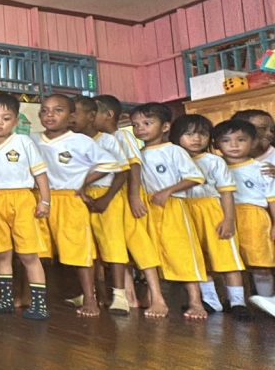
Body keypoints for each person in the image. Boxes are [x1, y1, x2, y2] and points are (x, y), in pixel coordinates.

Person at [33, 94, 121, 318]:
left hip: (71, 200)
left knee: (79, 250)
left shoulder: (81, 141)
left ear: (71, 116)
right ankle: (29, 296)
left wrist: (84, 182)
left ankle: (90, 297)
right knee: (33, 250)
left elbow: (111, 164)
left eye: (58, 110)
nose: (50, 114)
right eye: (45, 110)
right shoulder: (31, 140)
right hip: (42, 199)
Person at [0, 93, 52, 320]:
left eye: (6, 118)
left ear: (16, 121)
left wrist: (45, 201)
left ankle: (39, 304)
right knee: (1, 254)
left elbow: (40, 175)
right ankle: (6, 300)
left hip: (21, 200)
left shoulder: (24, 142)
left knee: (29, 255)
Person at [129, 103, 209, 320]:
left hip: (173, 206)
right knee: (150, 253)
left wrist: (168, 191)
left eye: (147, 123)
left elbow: (195, 177)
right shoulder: (137, 153)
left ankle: (195, 300)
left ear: (165, 127)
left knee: (182, 252)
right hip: (147, 207)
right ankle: (156, 297)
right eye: (136, 125)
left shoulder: (175, 150)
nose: (141, 129)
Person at [93, 95, 166, 314]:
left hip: (127, 196)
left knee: (139, 245)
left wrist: (134, 197)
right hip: (114, 198)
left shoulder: (122, 136)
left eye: (92, 113)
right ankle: (129, 295)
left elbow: (133, 167)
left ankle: (158, 297)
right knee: (117, 248)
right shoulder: (100, 139)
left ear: (108, 115)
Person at [171, 115, 249, 318]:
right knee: (199, 258)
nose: (196, 139)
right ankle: (211, 300)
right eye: (189, 134)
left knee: (227, 256)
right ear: (176, 136)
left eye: (202, 134)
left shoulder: (214, 161)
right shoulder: (174, 159)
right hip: (186, 211)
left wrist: (229, 219)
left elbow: (226, 192)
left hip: (213, 211)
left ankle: (238, 302)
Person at [71, 95, 132, 315]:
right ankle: (92, 294)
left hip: (108, 196)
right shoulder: (71, 141)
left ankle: (120, 296)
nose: (70, 117)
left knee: (113, 245)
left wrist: (106, 198)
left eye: (75, 112)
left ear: (91, 116)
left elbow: (122, 171)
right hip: (80, 197)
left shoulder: (107, 140)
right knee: (86, 246)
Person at [212, 119, 275, 318]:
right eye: (226, 140)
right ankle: (238, 301)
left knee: (260, 263)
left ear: (253, 142)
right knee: (232, 263)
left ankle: (267, 302)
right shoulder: (215, 166)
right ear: (216, 144)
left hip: (254, 218)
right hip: (224, 217)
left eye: (241, 140)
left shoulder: (261, 168)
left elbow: (272, 198)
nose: (234, 145)